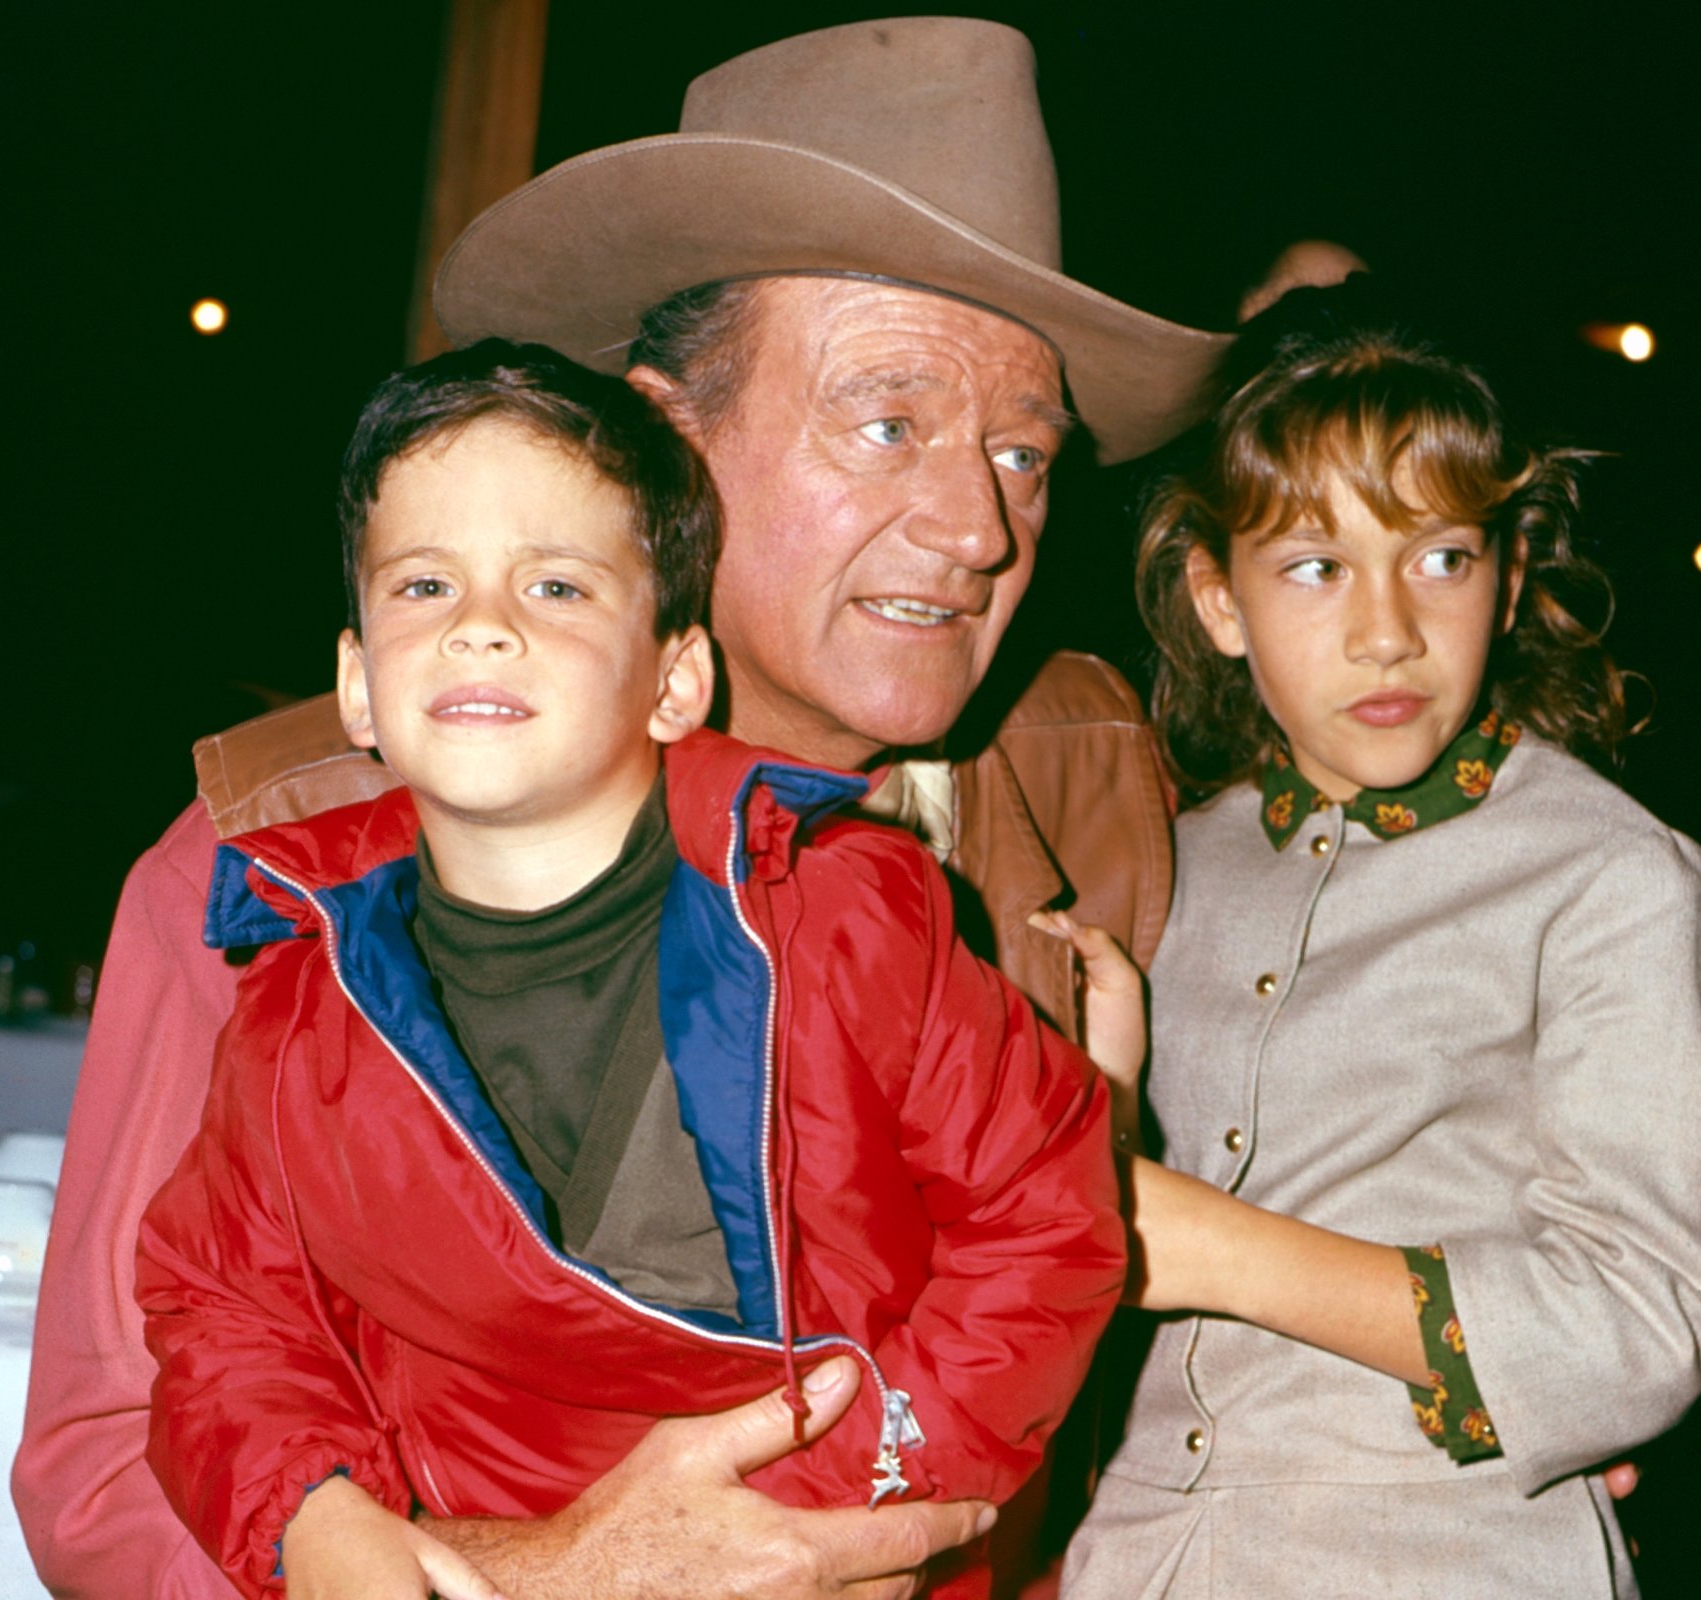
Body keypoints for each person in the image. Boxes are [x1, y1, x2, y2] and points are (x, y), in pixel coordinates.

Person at [15, 20, 1230, 1599]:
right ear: (667, 442)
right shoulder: (286, 856)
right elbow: (113, 1471)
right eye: (887, 420)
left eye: (1024, 453)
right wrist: (545, 1574)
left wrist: (1488, 1358)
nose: (980, 526)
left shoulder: (1084, 786)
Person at [133, 338, 1122, 1600]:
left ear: (674, 679)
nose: (480, 627)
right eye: (425, 585)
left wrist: (867, 1494)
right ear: (356, 686)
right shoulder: (297, 991)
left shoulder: (845, 914)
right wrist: (312, 1523)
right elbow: (223, 1305)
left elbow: (1045, 1210)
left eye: (554, 587)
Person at [1052, 299, 1701, 1598]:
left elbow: (1642, 1329)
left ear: (1514, 574)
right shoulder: (1162, 868)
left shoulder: (1610, 877)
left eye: (1440, 558)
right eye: (1315, 567)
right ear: (1217, 599)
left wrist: (1201, 1247)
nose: (1388, 631)